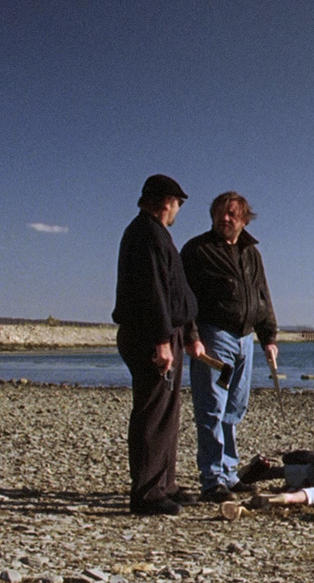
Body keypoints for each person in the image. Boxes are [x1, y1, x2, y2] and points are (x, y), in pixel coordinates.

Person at [113, 174, 205, 516]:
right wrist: (162, 341)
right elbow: (152, 294)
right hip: (150, 336)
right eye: (178, 204)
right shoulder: (144, 234)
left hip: (167, 333)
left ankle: (164, 484)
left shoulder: (156, 235)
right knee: (153, 413)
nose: (178, 210)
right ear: (167, 202)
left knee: (167, 413)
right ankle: (147, 493)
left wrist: (190, 337)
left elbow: (175, 292)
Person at [180, 191, 281, 501]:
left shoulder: (252, 253)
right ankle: (212, 481)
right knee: (211, 408)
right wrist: (191, 336)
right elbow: (183, 298)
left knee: (234, 408)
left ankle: (229, 472)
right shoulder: (197, 250)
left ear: (244, 219)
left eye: (232, 214)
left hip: (245, 339)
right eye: (220, 213)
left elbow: (262, 294)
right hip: (213, 338)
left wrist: (269, 338)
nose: (225, 219)